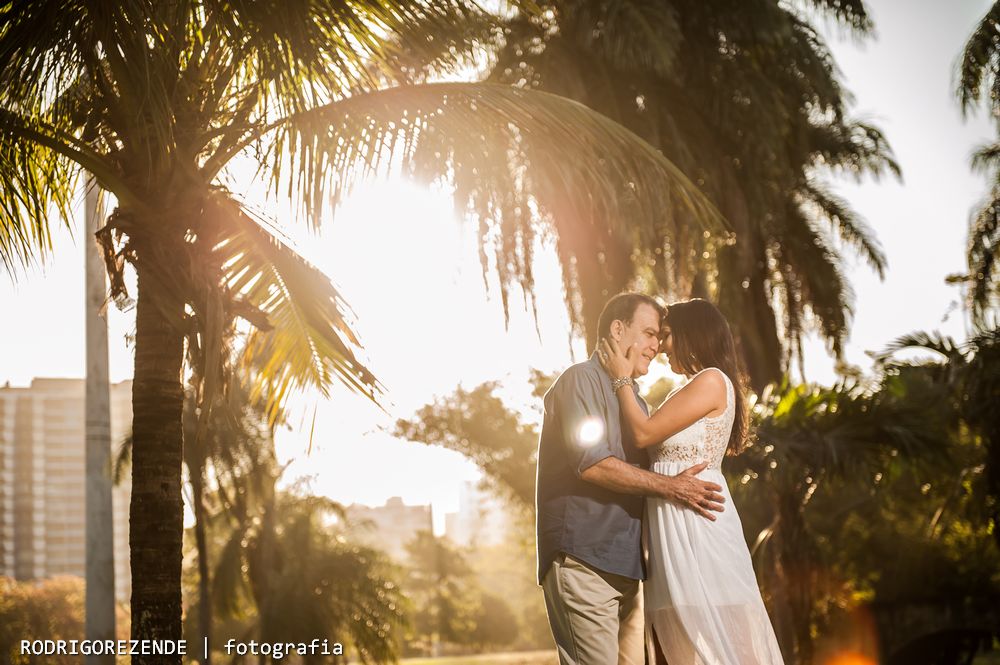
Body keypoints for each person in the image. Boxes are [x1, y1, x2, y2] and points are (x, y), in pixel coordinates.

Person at [536, 292, 727, 665]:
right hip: (582, 560)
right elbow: (594, 464)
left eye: (660, 336)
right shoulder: (580, 381)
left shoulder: (635, 401)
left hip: (628, 571)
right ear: (618, 330)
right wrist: (674, 487)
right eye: (650, 333)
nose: (658, 345)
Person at [600, 298, 784, 665]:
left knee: (733, 642)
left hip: (701, 528)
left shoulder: (712, 380)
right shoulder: (689, 386)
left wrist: (620, 376)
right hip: (670, 531)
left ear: (690, 334)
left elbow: (644, 434)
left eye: (666, 336)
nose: (662, 347)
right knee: (674, 648)